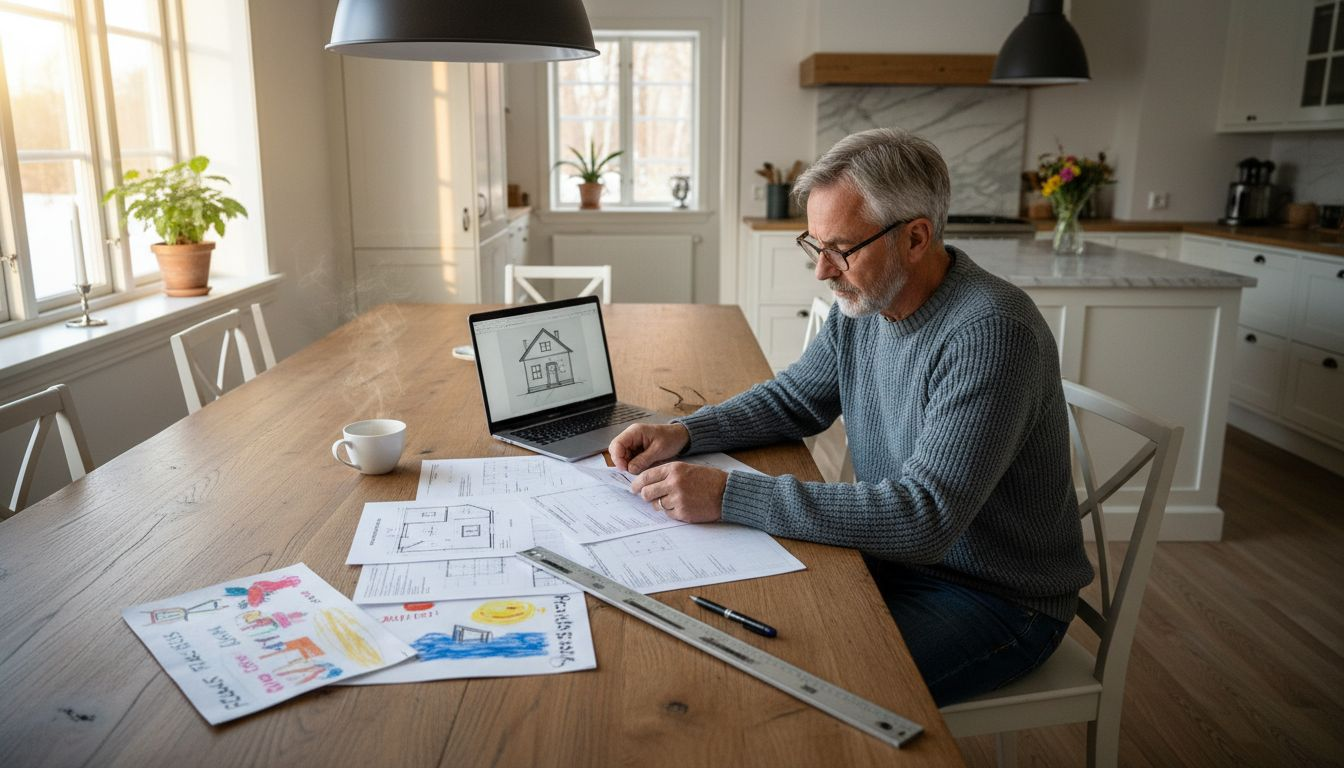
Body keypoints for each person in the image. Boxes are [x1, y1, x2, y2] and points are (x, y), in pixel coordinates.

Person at [607, 127, 1093, 706]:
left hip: (996, 598)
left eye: (841, 249)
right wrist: (686, 430)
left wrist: (728, 495)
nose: (822, 271)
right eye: (814, 246)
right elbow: (795, 399)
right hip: (895, 560)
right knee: (739, 631)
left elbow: (924, 517)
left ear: (916, 237)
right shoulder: (868, 303)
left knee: (791, 693)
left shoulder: (990, 332)